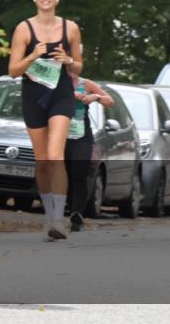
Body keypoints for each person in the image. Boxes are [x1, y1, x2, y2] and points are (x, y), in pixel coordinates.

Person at [8, 0, 83, 241]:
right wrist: (32, 56)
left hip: (60, 93)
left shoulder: (70, 28)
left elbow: (78, 67)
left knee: (55, 155)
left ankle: (59, 220)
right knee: (42, 161)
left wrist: (69, 60)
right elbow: (13, 71)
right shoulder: (24, 29)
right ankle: (49, 217)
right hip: (33, 94)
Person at [66, 76, 113, 232]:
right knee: (63, 173)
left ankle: (76, 214)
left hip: (81, 136)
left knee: (79, 173)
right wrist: (67, 95)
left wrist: (96, 97)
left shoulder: (85, 84)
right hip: (59, 135)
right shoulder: (55, 81)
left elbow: (110, 101)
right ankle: (62, 210)